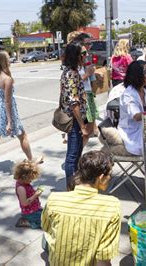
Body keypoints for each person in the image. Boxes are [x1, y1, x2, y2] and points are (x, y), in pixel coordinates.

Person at [41, 151, 121, 265]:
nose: (110, 178)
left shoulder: (54, 199)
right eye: (110, 175)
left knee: (45, 240)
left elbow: (46, 227)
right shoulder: (112, 206)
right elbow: (103, 259)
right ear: (101, 177)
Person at [0, 51, 43, 179]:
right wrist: (9, 121)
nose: (10, 60)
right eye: (8, 59)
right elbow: (7, 101)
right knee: (22, 135)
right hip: (5, 110)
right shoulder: (7, 79)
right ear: (4, 61)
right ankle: (32, 160)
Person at [60, 41, 89, 190]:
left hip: (75, 119)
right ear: (75, 56)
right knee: (72, 157)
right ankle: (71, 189)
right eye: (82, 54)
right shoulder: (71, 74)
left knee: (76, 154)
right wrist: (82, 125)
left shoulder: (70, 72)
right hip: (74, 121)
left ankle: (74, 186)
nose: (85, 56)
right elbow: (74, 103)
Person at [13, 160, 43, 229]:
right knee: (45, 223)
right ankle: (26, 222)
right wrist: (35, 195)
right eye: (30, 179)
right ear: (24, 177)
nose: (31, 181)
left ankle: (35, 214)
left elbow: (29, 194)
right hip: (29, 213)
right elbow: (24, 203)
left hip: (34, 208)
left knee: (48, 215)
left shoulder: (25, 183)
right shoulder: (21, 188)